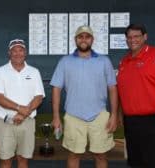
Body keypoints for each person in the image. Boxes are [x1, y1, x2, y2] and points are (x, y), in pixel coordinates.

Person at [50, 25, 118, 168]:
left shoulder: (104, 61)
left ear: (92, 39)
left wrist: (114, 115)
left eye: (87, 36)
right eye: (80, 37)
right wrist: (56, 117)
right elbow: (56, 89)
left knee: (101, 155)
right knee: (74, 154)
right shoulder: (65, 61)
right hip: (73, 115)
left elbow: (112, 88)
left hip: (99, 115)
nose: (84, 39)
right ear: (75, 40)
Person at [117, 23, 155, 168]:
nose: (133, 40)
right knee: (136, 163)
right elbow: (122, 91)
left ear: (145, 37)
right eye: (129, 37)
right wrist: (119, 114)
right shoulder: (124, 62)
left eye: (136, 36)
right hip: (132, 123)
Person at [0, 39, 45, 168]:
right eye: (14, 50)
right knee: (5, 160)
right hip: (5, 122)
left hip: (27, 122)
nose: (17, 53)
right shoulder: (0, 71)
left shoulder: (34, 72)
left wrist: (23, 115)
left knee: (23, 159)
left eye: (20, 50)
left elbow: (39, 97)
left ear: (25, 53)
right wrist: (19, 108)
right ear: (9, 53)